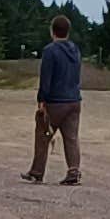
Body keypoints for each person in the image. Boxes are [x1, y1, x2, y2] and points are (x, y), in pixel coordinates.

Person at [23, 11, 84, 185]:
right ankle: (74, 171)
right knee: (71, 137)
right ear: (68, 31)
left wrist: (42, 100)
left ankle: (37, 171)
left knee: (43, 134)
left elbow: (46, 77)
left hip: (56, 101)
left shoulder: (50, 51)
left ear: (52, 31)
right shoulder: (75, 49)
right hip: (74, 100)